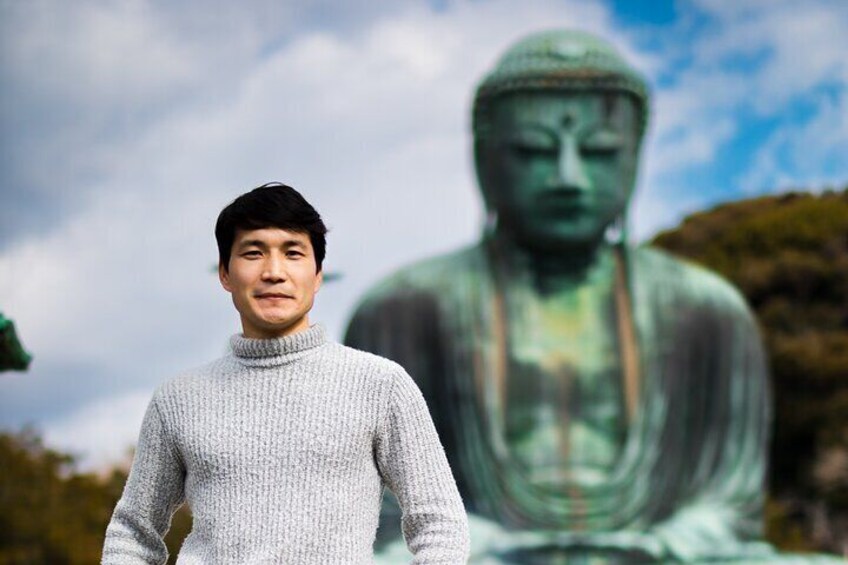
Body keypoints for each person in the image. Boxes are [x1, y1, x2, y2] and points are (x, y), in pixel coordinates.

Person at [344, 31, 840, 563]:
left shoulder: (708, 310)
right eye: (533, 151)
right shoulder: (404, 308)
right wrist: (481, 544)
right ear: (485, 160)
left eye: (600, 152)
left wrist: (663, 545)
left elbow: (727, 505)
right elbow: (385, 509)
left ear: (635, 159)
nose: (568, 176)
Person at [102, 182, 470, 564]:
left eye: (293, 253)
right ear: (225, 274)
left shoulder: (380, 385)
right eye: (253, 253)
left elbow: (439, 523)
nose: (273, 272)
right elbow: (132, 533)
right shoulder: (178, 399)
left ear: (318, 275)